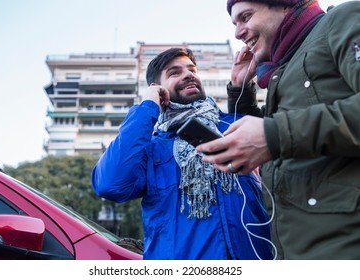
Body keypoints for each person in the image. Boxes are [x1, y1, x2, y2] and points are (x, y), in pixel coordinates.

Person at [197, 0, 360, 259]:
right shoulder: (281, 71)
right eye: (235, 23)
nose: (238, 32)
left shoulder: (343, 20)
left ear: (284, 5)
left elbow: (277, 136)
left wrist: (274, 135)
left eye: (246, 17)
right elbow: (273, 146)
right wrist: (241, 91)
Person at [91, 47, 273, 260]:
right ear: (157, 88)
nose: (188, 74)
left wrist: (241, 88)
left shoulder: (235, 126)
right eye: (174, 72)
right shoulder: (151, 148)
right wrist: (148, 105)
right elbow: (110, 184)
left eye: (192, 69)